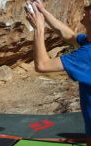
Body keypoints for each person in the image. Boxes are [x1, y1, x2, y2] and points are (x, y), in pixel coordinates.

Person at [25, 0, 91, 145]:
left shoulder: (87, 54)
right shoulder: (88, 43)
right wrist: (43, 10)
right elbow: (69, 35)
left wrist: (38, 29)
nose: (86, 7)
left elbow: (42, 65)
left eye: (90, 8)